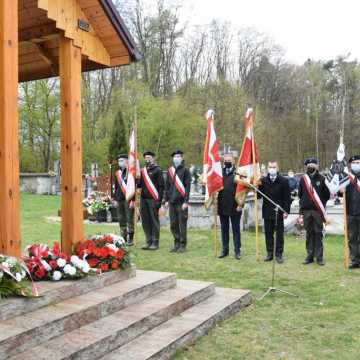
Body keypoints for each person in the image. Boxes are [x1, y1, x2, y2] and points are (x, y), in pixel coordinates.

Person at [327, 154, 360, 269]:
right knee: (352, 238)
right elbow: (339, 192)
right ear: (350, 164)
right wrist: (341, 190)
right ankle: (355, 260)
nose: (357, 164)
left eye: (358, 162)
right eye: (355, 163)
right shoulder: (346, 178)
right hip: (351, 213)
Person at [257, 161, 291, 263]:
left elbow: (287, 198)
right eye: (270, 167)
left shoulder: (284, 181)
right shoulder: (263, 181)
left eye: (274, 167)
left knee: (279, 235)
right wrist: (256, 186)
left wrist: (286, 211)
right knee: (268, 234)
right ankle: (270, 253)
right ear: (268, 168)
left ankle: (279, 254)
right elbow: (258, 196)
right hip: (267, 211)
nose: (272, 168)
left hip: (279, 211)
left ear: (277, 168)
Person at [298, 157, 330, 266]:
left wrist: (321, 207)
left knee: (318, 233)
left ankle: (319, 257)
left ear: (317, 166)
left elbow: (327, 195)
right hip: (306, 211)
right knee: (309, 234)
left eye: (313, 164)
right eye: (309, 164)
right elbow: (300, 194)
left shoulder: (322, 178)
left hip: (317, 211)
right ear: (307, 166)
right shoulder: (303, 179)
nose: (311, 166)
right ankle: (309, 256)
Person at [165, 150, 191, 253]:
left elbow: (188, 187)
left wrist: (186, 201)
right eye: (175, 156)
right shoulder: (170, 171)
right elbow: (167, 187)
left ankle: (183, 244)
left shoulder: (185, 171)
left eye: (178, 156)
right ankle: (176, 243)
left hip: (181, 202)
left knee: (182, 224)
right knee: (173, 224)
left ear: (182, 158)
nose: (176, 158)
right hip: (172, 202)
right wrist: (166, 200)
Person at [217, 153, 242, 260]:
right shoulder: (219, 173)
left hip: (235, 206)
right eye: (225, 160)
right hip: (222, 206)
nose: (227, 162)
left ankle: (237, 251)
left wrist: (241, 204)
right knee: (224, 229)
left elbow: (243, 191)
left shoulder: (239, 173)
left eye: (229, 160)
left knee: (236, 229)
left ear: (233, 161)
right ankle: (225, 250)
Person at [139, 151, 164, 250]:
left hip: (153, 199)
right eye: (145, 158)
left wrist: (159, 200)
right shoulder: (142, 171)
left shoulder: (158, 170)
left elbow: (161, 186)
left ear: (153, 158)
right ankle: (148, 240)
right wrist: (136, 178)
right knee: (145, 221)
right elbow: (139, 185)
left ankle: (155, 242)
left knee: (154, 221)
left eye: (149, 157)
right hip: (143, 199)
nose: (147, 159)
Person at [113, 154, 135, 246]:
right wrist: (115, 199)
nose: (120, 163)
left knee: (129, 218)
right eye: (119, 161)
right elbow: (116, 187)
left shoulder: (130, 172)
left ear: (127, 161)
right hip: (119, 199)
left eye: (122, 161)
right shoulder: (117, 173)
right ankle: (123, 237)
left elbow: (134, 187)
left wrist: (133, 200)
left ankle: (130, 238)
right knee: (121, 218)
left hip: (128, 199)